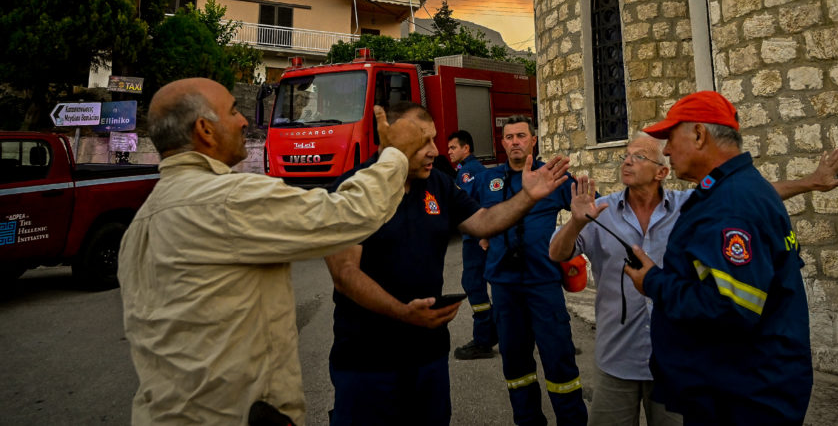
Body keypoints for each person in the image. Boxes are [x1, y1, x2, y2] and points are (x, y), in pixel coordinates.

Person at [118, 77, 429, 425]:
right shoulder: (227, 199)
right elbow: (348, 214)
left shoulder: (143, 221)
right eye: (234, 111)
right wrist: (393, 155)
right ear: (205, 130)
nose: (245, 121)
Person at [550, 133, 838, 426]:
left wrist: (810, 182)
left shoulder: (690, 205)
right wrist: (576, 223)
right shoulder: (600, 211)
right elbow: (557, 253)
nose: (627, 161)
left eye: (638, 156)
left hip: (674, 363)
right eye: (625, 155)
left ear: (661, 172)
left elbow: (753, 193)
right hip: (616, 359)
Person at [326, 103, 572, 426]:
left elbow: (483, 222)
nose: (435, 151)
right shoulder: (353, 187)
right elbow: (344, 274)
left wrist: (527, 196)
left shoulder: (440, 185)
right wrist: (402, 313)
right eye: (423, 141)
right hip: (368, 362)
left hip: (428, 356)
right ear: (390, 140)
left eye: (435, 140)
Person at [623, 91, 815, 424]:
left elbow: (729, 308)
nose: (666, 150)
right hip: (737, 388)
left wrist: (653, 281)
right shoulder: (738, 189)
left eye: (670, 138)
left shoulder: (731, 204)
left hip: (742, 398)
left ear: (699, 135)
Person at [474, 115, 588, 426]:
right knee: (515, 364)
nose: (514, 142)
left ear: (533, 141)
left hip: (543, 283)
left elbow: (587, 206)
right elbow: (475, 216)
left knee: (559, 359)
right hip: (504, 285)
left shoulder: (551, 177)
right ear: (502, 142)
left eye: (521, 136)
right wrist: (483, 235)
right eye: (509, 137)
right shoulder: (489, 180)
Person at [447, 129, 500, 360]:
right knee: (490, 282)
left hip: (475, 238)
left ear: (466, 149)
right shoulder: (475, 170)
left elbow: (462, 204)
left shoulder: (468, 172)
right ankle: (494, 330)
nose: (448, 152)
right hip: (482, 236)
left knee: (473, 283)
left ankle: (484, 339)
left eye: (453, 148)